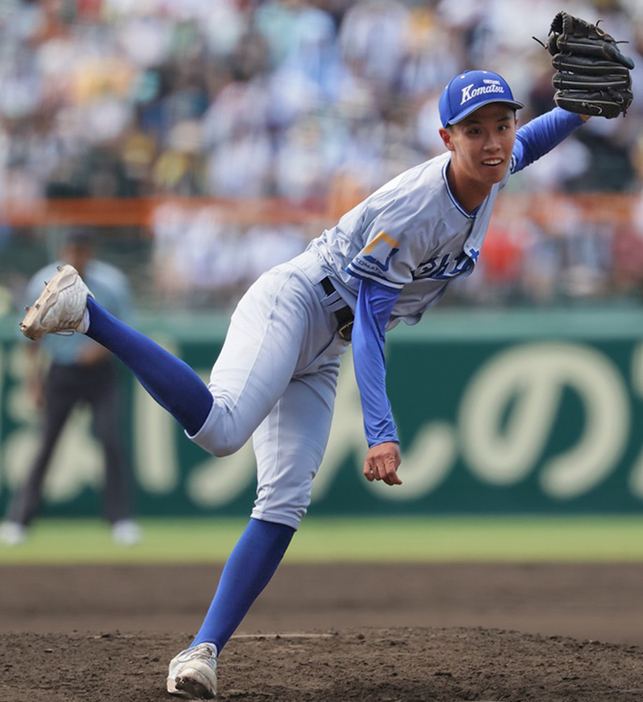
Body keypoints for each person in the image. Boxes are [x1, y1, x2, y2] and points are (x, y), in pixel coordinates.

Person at [17, 71, 588, 698]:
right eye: (474, 131)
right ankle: (89, 314)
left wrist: (577, 110)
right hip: (296, 303)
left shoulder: (494, 165)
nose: (494, 143)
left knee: (284, 503)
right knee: (223, 429)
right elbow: (370, 325)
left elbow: (528, 145)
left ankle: (201, 652)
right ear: (446, 138)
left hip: (325, 342)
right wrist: (381, 430)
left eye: (500, 126)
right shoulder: (418, 206)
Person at [0, 230, 141, 547]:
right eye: (72, 250)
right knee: (46, 444)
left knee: (110, 439)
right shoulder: (43, 281)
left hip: (100, 372)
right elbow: (30, 337)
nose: (77, 256)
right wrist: (33, 382)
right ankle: (19, 520)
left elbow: (128, 329)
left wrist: (98, 351)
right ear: (64, 250)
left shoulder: (111, 282)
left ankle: (121, 520)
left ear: (91, 251)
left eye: (82, 250)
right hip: (61, 371)